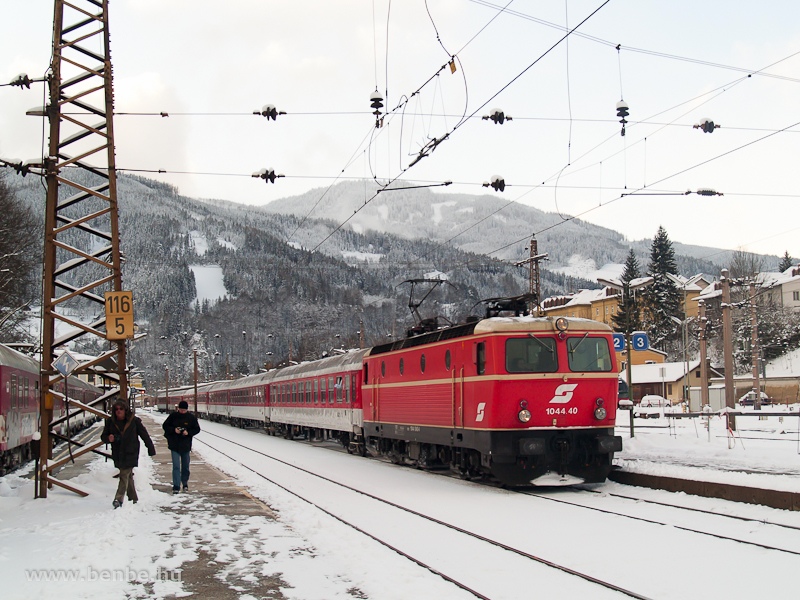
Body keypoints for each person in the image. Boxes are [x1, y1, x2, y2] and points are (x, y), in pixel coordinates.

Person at [101, 400, 156, 509]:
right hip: (118, 452)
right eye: (116, 409)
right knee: (127, 475)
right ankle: (133, 498)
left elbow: (144, 435)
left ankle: (118, 499)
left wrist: (151, 449)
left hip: (131, 451)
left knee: (124, 474)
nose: (118, 411)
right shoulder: (110, 422)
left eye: (121, 409)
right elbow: (103, 437)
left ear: (125, 410)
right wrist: (108, 438)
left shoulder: (134, 421)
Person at [162, 400, 201, 494]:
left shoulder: (191, 418)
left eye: (184, 410)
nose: (182, 411)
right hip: (174, 445)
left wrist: (188, 433)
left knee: (185, 466)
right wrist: (174, 430)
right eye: (181, 409)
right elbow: (165, 426)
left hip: (186, 445)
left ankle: (185, 483)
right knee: (176, 466)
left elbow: (197, 429)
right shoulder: (173, 416)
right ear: (178, 408)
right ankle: (176, 485)